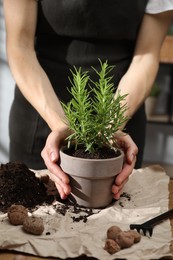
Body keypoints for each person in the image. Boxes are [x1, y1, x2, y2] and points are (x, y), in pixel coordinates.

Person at [3, 0, 173, 201]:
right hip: (41, 113)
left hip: (120, 118)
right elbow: (20, 46)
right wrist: (61, 125)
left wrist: (111, 127)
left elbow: (146, 56)